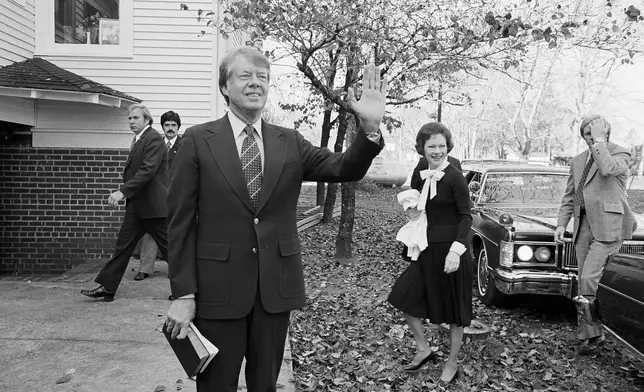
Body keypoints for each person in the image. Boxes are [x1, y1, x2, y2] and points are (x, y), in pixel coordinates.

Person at [163, 47, 387, 392]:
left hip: (274, 290)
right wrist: (183, 294)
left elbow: (344, 168)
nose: (256, 84)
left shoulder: (289, 142)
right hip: (217, 291)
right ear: (225, 87)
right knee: (216, 385)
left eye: (263, 77)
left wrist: (369, 128)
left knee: (265, 385)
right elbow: (179, 223)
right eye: (245, 76)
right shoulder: (197, 141)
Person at [387, 122, 472, 385]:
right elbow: (414, 200)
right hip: (426, 249)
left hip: (451, 252)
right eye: (431, 146)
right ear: (422, 148)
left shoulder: (456, 176)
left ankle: (452, 362)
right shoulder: (420, 171)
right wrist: (410, 211)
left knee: (455, 312)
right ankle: (423, 348)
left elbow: (466, 217)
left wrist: (456, 252)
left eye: (441, 146)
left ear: (448, 147)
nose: (437, 151)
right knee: (403, 295)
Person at [554, 114, 637, 355]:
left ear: (606, 132)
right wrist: (562, 223)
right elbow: (570, 195)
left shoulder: (620, 153)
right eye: (587, 135)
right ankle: (590, 335)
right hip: (582, 226)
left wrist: (600, 142)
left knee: (590, 278)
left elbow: (609, 169)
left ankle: (595, 333)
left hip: (609, 225)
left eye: (596, 133)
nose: (591, 139)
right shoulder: (578, 160)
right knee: (583, 281)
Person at [81, 104, 169, 301]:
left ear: (147, 120)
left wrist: (123, 191)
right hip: (138, 207)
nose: (131, 122)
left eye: (135, 118)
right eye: (129, 118)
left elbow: (147, 170)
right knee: (122, 247)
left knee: (171, 250)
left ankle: (189, 290)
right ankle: (108, 287)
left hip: (154, 207)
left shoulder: (153, 138)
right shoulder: (139, 139)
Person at [135, 110, 183, 281]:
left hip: (177, 196)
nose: (170, 129)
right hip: (157, 196)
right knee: (151, 232)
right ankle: (145, 268)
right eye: (167, 125)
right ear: (162, 127)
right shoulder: (155, 144)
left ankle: (176, 269)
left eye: (173, 125)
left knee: (177, 233)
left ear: (178, 127)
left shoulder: (185, 145)